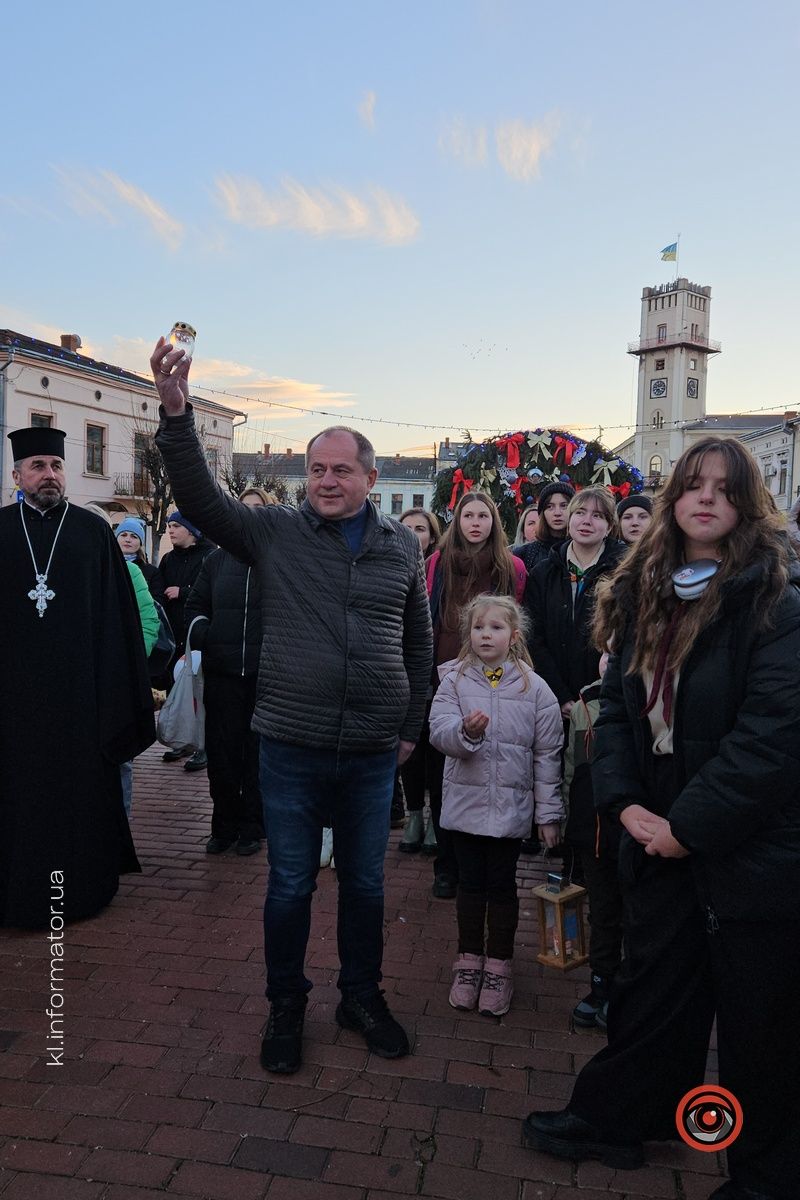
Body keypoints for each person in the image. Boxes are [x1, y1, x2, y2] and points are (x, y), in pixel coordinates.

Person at [523, 438, 800, 1200]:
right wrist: (628, 805)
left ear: (748, 504)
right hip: (654, 826)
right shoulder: (645, 592)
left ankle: (767, 1178)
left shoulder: (776, 601)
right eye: (693, 485)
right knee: (652, 992)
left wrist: (687, 827)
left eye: (725, 488)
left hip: (750, 846)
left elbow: (773, 736)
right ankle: (621, 1118)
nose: (706, 498)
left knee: (760, 1026)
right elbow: (616, 711)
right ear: (674, 498)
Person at [150, 336, 433, 1076]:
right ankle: (286, 1002)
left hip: (372, 748)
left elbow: (418, 641)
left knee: (365, 885)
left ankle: (361, 996)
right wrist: (177, 416)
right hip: (291, 742)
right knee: (289, 884)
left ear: (371, 477)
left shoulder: (402, 548)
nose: (327, 481)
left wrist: (409, 727)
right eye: (317, 469)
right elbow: (202, 501)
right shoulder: (273, 532)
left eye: (342, 470)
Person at [0, 426, 153, 928]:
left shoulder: (93, 533)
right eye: (38, 466)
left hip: (82, 699)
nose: (50, 474)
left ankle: (82, 888)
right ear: (17, 475)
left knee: (76, 797)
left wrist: (117, 695)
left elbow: (119, 621)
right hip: (13, 703)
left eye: (57, 465)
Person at [429, 596, 563, 1016]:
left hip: (510, 810)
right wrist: (465, 732)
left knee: (503, 887)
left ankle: (500, 965)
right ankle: (469, 961)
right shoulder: (453, 680)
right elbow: (438, 730)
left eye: (496, 627)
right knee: (470, 885)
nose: (486, 634)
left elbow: (548, 755)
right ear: (468, 634)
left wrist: (548, 814)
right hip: (465, 807)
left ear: (514, 636)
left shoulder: (534, 689)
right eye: (478, 627)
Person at [425, 491, 527, 898]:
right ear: (457, 520)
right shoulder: (438, 562)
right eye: (468, 515)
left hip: (496, 678)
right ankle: (447, 864)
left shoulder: (511, 566)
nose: (475, 523)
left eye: (483, 516)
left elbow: (517, 623)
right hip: (446, 676)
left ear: (493, 522)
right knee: (445, 774)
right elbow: (428, 617)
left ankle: (486, 863)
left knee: (491, 770)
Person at [184, 487, 272, 856]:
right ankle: (223, 825)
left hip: (266, 678)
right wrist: (209, 635)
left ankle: (253, 826)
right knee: (221, 755)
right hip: (222, 675)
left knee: (257, 757)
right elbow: (195, 607)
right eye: (244, 509)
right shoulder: (215, 561)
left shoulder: (277, 559)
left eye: (257, 509)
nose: (249, 515)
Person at [561, 650, 622, 1030]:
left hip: (632, 831)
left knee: (635, 912)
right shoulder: (584, 704)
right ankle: (601, 984)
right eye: (606, 650)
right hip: (592, 830)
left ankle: (629, 989)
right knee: (601, 912)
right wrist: (568, 817)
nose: (610, 657)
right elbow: (572, 766)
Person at [397, 507, 442, 853]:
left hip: (438, 668)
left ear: (432, 535)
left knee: (435, 747)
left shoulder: (441, 568)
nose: (415, 534)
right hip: (400, 668)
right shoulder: (391, 563)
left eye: (421, 528)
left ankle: (435, 820)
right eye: (408, 528)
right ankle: (413, 814)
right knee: (408, 747)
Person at [154, 510, 213, 767]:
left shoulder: (209, 555)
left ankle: (203, 746)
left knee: (201, 693)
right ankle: (182, 741)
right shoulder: (168, 559)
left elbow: (210, 592)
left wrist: (184, 592)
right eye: (169, 526)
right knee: (176, 689)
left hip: (198, 636)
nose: (171, 530)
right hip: (174, 634)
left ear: (192, 530)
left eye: (176, 526)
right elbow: (159, 590)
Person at [514, 481, 575, 573]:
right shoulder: (525, 554)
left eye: (564, 506)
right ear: (542, 513)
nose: (557, 513)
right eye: (550, 507)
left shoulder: (583, 549)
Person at [115, 515, 163, 600]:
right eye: (123, 535)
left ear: (140, 543)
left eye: (134, 536)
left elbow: (156, 601)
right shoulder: (106, 566)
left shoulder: (152, 572)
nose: (128, 540)